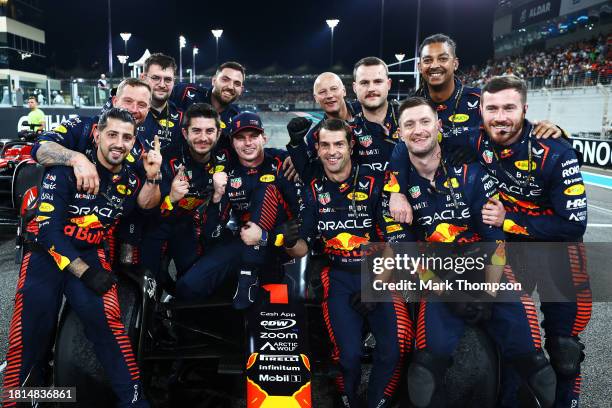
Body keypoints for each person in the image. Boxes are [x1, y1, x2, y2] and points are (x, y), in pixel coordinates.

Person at [386, 96, 556, 408]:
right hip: (435, 279)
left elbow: (494, 238)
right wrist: (451, 293)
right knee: (423, 374)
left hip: (485, 271)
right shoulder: (393, 192)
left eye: (425, 122)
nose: (418, 130)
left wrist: (486, 289)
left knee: (538, 369)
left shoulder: (473, 175)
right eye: (409, 124)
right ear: (399, 134)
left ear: (439, 126)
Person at [2, 108, 162, 407]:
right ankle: (24, 402)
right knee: (28, 339)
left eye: (127, 137)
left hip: (90, 253)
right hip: (45, 259)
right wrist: (86, 273)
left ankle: (135, 401)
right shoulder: (65, 170)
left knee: (110, 329)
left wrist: (153, 177)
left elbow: (143, 210)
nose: (119, 142)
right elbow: (49, 234)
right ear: (98, 135)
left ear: (133, 142)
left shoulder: (128, 179)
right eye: (112, 134)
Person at [473, 76, 591, 408]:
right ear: (480, 111)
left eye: (509, 108)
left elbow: (572, 225)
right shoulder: (473, 141)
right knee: (514, 339)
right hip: (511, 252)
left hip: (559, 252)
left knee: (565, 349)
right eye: (492, 108)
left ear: (525, 110)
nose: (500, 116)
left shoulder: (556, 150)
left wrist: (509, 220)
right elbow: (415, 141)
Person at [285, 118, 411, 408]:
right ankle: (348, 401)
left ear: (351, 146)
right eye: (325, 145)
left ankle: (378, 402)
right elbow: (303, 250)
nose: (332, 151)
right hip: (338, 276)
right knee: (348, 355)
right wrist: (291, 241)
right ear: (316, 149)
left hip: (381, 274)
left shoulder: (375, 182)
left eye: (339, 144)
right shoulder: (313, 189)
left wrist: (375, 287)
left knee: (393, 350)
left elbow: (392, 241)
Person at [175, 112, 299, 310]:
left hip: (287, 242)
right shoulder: (226, 173)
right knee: (187, 286)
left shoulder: (283, 161)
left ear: (264, 138)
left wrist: (299, 155)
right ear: (232, 143)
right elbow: (212, 232)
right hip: (245, 238)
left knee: (266, 187)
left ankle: (248, 274)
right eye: (241, 138)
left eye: (253, 136)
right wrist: (216, 196)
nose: (247, 143)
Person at [140, 103, 229, 292]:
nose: (203, 138)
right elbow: (146, 213)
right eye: (196, 131)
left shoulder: (226, 156)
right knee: (150, 281)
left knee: (191, 283)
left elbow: (260, 156)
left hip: (188, 226)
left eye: (209, 131)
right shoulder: (166, 160)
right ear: (185, 133)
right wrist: (171, 198)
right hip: (156, 226)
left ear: (218, 134)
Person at [171, 61, 244, 146]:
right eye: (225, 80)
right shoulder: (186, 91)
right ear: (214, 80)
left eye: (237, 83)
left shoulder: (237, 117)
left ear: (241, 90)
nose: (230, 87)